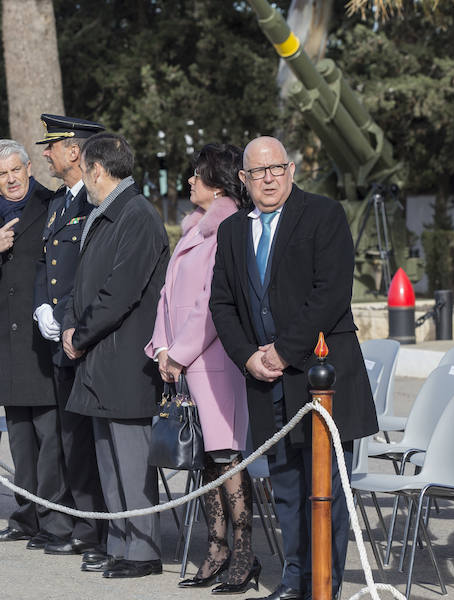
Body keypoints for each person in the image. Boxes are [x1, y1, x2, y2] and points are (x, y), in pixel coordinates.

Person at [209, 136, 377, 600]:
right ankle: (293, 578)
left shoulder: (323, 215)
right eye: (257, 171)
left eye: (276, 168)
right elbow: (221, 303)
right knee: (284, 486)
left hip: (320, 379)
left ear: (291, 170)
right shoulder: (232, 231)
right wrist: (248, 356)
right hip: (266, 382)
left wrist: (282, 352)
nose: (268, 177)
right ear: (243, 179)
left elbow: (330, 293)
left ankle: (324, 584)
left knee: (325, 490)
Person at [145, 143, 260, 594]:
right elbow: (169, 297)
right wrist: (160, 348)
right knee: (207, 463)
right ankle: (215, 549)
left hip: (215, 364)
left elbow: (213, 304)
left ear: (216, 183)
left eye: (196, 174)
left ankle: (244, 554)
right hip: (187, 364)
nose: (189, 181)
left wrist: (180, 351)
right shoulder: (197, 227)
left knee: (228, 457)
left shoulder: (227, 229)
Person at [61, 133, 169, 579]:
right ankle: (119, 542)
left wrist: (81, 334)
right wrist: (70, 324)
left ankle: (142, 551)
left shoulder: (137, 215)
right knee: (108, 458)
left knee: (130, 458)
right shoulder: (103, 212)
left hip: (125, 358)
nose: (82, 177)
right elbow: (82, 281)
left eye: (84, 168)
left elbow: (120, 292)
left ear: (98, 171)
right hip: (98, 357)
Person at [0, 139, 72, 549]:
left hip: (44, 338)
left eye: (16, 170)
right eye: (2, 174)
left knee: (50, 436)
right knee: (20, 437)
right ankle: (25, 518)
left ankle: (56, 523)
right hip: (5, 339)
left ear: (28, 168)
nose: (11, 180)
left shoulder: (54, 202)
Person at [31, 114, 107, 562]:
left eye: (52, 145)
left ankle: (95, 528)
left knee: (91, 441)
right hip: (60, 338)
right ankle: (79, 522)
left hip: (86, 337)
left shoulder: (98, 202)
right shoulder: (60, 203)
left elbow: (94, 277)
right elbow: (48, 265)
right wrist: (43, 306)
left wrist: (67, 316)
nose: (46, 153)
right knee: (69, 437)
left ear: (74, 151)